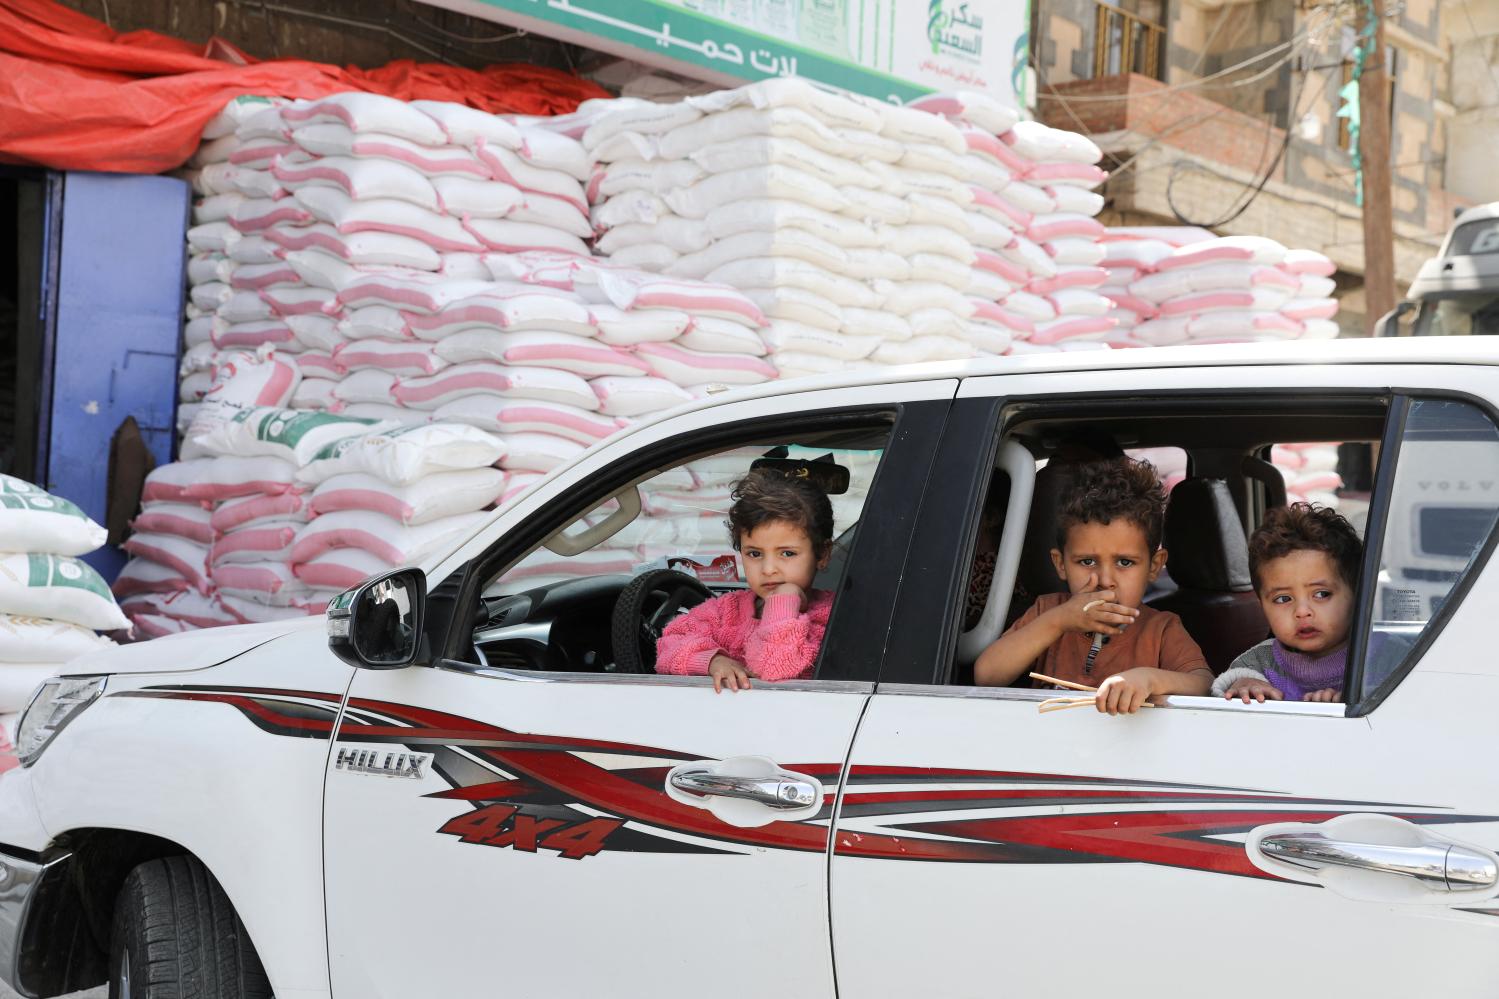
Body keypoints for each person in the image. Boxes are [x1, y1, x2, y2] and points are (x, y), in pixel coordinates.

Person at [974, 457, 1212, 714]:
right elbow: (986, 675)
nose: (1105, 580)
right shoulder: (1047, 611)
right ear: (1061, 563)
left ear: (1154, 566)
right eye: (1087, 561)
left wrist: (1151, 679)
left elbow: (1204, 684)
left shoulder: (1161, 629)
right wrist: (1058, 621)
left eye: (1125, 562)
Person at [656, 469, 835, 693]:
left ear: (823, 554)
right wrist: (712, 661)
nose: (768, 569)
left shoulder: (831, 618)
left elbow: (774, 669)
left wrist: (784, 600)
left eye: (787, 553)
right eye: (755, 554)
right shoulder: (726, 610)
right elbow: (669, 645)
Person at [1214, 503, 1361, 703]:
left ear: (1357, 594)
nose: (1302, 612)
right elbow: (1224, 691)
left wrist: (1354, 702)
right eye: (1283, 599)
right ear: (1262, 605)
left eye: (1321, 594)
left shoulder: (1382, 657)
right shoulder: (1257, 663)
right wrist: (1244, 687)